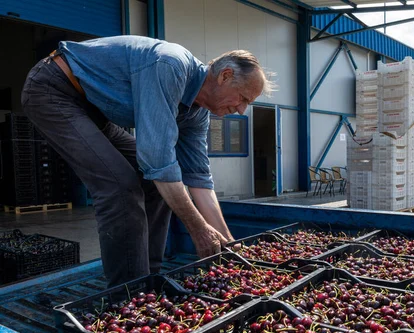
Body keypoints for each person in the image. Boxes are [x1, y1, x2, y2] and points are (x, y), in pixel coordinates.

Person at [21, 35, 274, 287]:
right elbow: (159, 162)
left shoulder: (197, 114)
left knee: (157, 185)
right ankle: (128, 297)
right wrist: (198, 229)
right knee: (120, 186)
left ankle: (149, 281)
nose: (242, 110)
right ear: (225, 76)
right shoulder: (170, 66)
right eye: (243, 98)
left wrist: (228, 243)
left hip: (94, 110)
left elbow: (199, 180)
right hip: (55, 90)